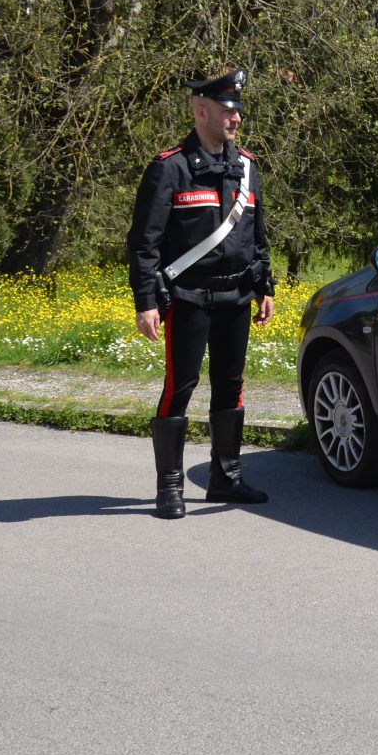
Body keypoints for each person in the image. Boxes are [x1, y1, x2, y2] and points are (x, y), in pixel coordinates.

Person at [128, 68, 276, 519]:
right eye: (228, 111)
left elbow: (258, 235)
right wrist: (146, 302)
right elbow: (144, 242)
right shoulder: (169, 167)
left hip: (235, 299)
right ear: (201, 111)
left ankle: (225, 479)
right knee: (181, 387)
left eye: (238, 111)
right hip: (188, 299)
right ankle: (169, 487)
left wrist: (264, 285)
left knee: (231, 388)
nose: (235, 119)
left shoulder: (247, 166)